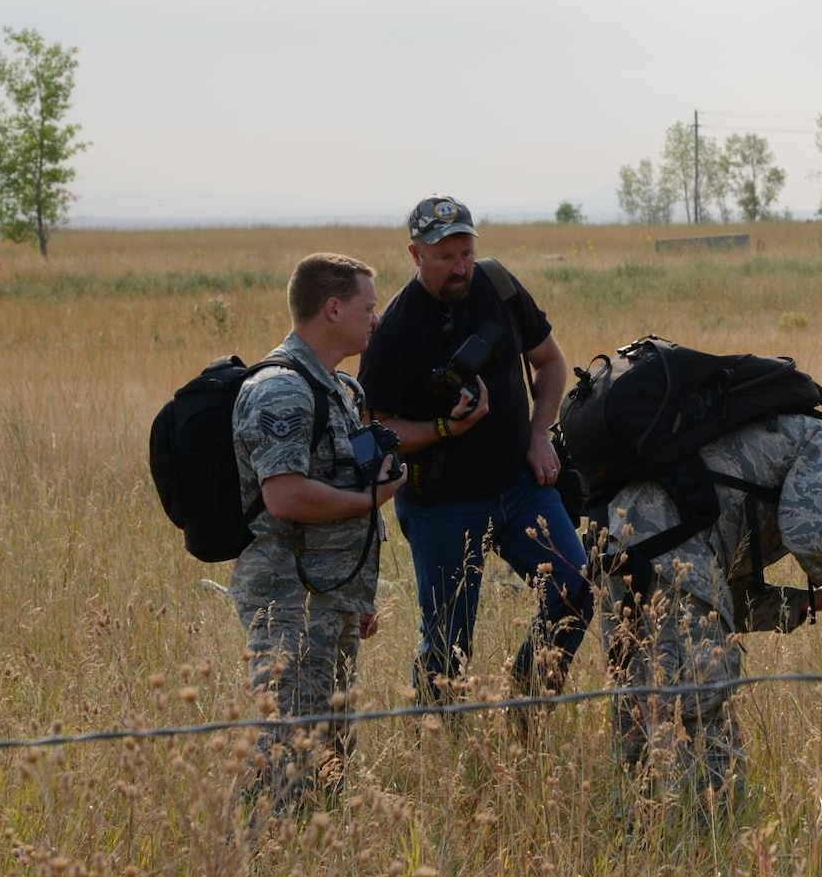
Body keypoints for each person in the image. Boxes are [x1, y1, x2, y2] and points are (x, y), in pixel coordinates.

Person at [598, 423, 822, 818]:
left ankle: (635, 833)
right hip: (671, 554)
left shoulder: (773, 486)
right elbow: (814, 538)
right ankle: (711, 838)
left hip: (625, 545)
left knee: (637, 704)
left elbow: (732, 600)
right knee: (706, 710)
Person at [358, 196, 592, 704]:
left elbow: (550, 362)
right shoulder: (394, 328)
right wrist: (445, 428)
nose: (459, 266)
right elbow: (375, 426)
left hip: (520, 486)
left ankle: (528, 703)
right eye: (445, 256)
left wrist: (537, 433)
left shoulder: (499, 286)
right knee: (448, 644)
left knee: (575, 588)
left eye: (465, 252)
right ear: (415, 254)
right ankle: (438, 748)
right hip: (442, 504)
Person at [231, 252, 404, 818]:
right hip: (289, 601)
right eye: (367, 307)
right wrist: (369, 498)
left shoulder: (343, 389)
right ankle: (259, 871)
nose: (375, 319)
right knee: (286, 751)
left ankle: (310, 875)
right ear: (333, 309)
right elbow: (285, 496)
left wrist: (357, 597)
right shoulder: (282, 388)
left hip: (331, 597)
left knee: (331, 752)